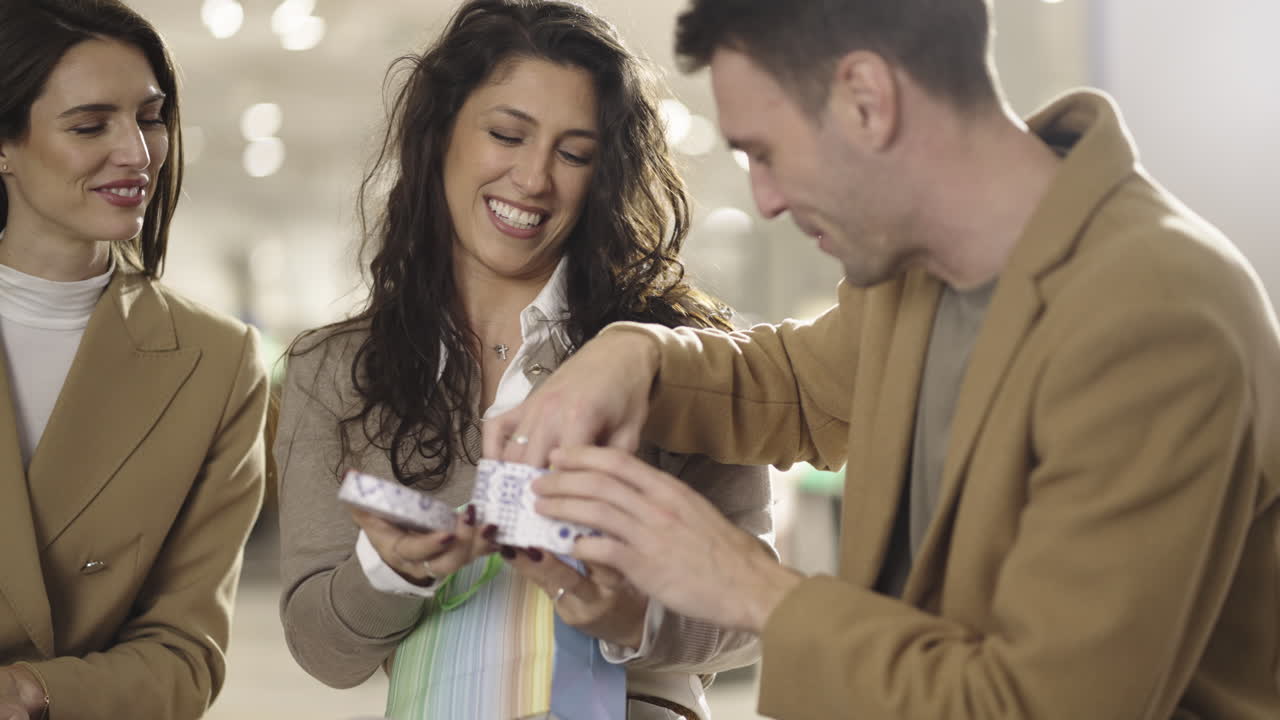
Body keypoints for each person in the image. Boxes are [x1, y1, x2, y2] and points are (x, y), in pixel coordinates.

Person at [487, 0, 1280, 718]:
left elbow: (1036, 708)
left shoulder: (1156, 321)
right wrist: (633, 355)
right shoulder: (920, 266)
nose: (763, 198)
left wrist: (746, 585)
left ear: (868, 101)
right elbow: (800, 389)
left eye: (764, 152)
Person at [274, 1, 771, 718]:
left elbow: (753, 616)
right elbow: (323, 650)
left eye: (574, 153)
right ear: (441, 132)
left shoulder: (682, 355)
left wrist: (632, 614)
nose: (534, 179)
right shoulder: (333, 370)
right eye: (507, 134)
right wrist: (389, 570)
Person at [0, 1, 270, 719]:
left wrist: (31, 689)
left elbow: (186, 651)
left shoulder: (216, 363)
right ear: (5, 145)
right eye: (91, 125)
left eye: (151, 117)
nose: (140, 153)